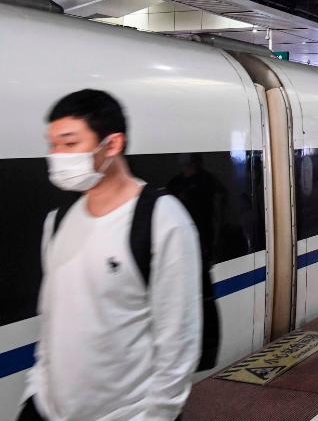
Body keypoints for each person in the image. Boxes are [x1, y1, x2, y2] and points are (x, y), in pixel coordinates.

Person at [20, 90, 202, 421]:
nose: (56, 155)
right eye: (53, 144)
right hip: (46, 409)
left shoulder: (161, 219)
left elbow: (179, 338)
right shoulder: (57, 223)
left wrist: (158, 415)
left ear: (113, 145)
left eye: (70, 143)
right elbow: (52, 321)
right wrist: (34, 391)